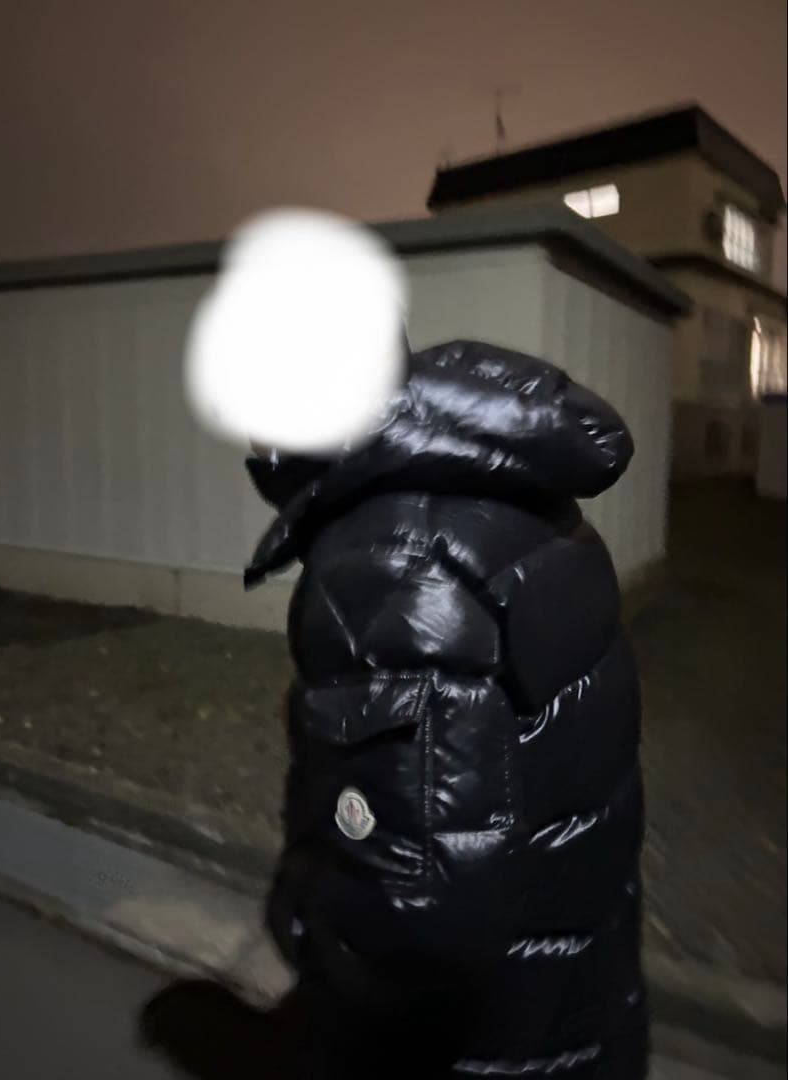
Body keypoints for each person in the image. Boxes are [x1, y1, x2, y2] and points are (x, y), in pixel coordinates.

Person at [141, 337, 647, 1079]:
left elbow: (412, 903)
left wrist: (308, 941)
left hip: (474, 1040)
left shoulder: (387, 562)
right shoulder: (509, 487)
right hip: (574, 988)